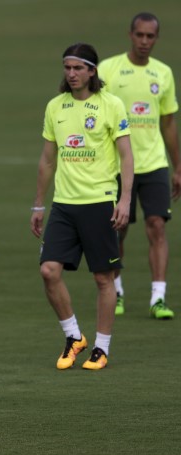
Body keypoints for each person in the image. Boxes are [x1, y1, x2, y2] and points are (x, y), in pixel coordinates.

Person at [31, 43, 134, 371]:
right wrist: (37, 205)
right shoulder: (55, 107)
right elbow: (48, 159)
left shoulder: (111, 105)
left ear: (92, 71)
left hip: (100, 201)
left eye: (78, 68)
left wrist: (126, 199)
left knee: (104, 279)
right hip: (64, 204)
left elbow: (127, 156)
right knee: (49, 271)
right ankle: (74, 336)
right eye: (67, 68)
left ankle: (101, 348)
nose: (71, 74)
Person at [98, 12, 181, 320]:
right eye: (140, 35)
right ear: (130, 35)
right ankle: (116, 291)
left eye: (150, 36)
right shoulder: (109, 69)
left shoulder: (163, 73)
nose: (145, 41)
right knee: (117, 230)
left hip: (154, 163)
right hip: (118, 167)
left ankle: (158, 298)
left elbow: (169, 122)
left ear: (156, 38)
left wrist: (178, 167)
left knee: (157, 225)